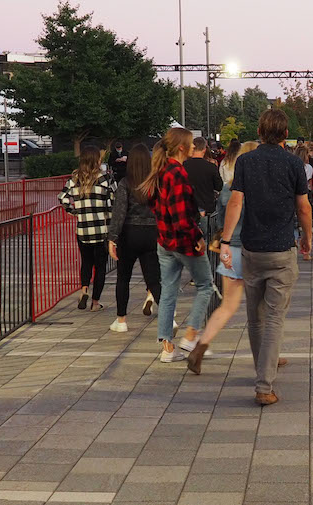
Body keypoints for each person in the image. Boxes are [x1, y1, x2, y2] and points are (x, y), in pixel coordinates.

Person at [219, 109, 313, 406]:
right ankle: (264, 384)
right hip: (282, 250)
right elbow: (303, 208)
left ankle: (265, 365)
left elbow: (235, 202)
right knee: (274, 318)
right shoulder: (294, 163)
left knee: (255, 316)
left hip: (252, 249)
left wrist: (224, 240)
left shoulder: (245, 161)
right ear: (286, 134)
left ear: (259, 132)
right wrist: (307, 239)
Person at [140, 128, 214, 363]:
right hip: (183, 241)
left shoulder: (160, 171)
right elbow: (182, 217)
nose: (194, 147)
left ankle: (167, 347)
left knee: (169, 291)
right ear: (181, 147)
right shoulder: (176, 173)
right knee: (206, 285)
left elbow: (155, 205)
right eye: (191, 144)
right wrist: (198, 237)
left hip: (164, 241)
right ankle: (191, 333)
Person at [186, 141, 254, 374]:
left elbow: (220, 215)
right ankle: (269, 355)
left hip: (230, 249)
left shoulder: (229, 186)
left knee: (227, 306)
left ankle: (201, 345)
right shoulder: (258, 188)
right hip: (254, 249)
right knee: (265, 308)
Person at [108, 144, 162, 332]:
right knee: (153, 278)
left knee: (123, 277)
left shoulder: (125, 183)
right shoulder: (156, 182)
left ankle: (121, 320)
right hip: (151, 232)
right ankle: (167, 317)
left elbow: (119, 212)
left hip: (129, 233)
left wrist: (112, 238)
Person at [58, 144, 116, 312]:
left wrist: (75, 212)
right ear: (97, 161)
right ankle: (95, 302)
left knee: (86, 262)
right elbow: (113, 202)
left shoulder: (74, 179)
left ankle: (84, 289)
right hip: (101, 229)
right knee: (100, 267)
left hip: (82, 229)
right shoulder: (105, 179)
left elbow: (63, 198)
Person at [183, 136, 223, 244]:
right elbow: (219, 186)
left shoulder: (183, 166)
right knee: (206, 239)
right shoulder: (210, 167)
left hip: (187, 209)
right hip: (207, 207)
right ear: (205, 149)